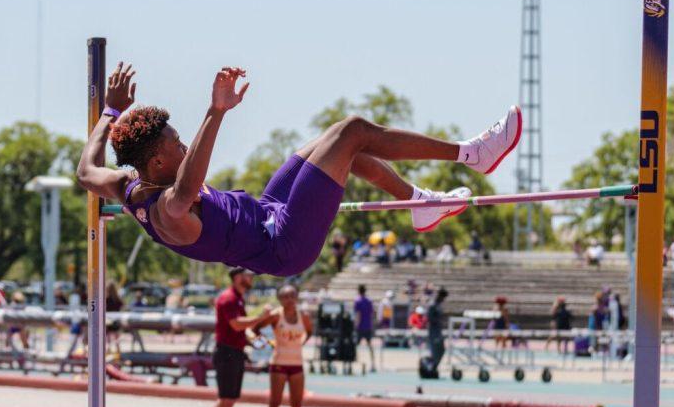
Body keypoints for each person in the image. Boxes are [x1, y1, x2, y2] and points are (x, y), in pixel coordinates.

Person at [77, 62, 522, 277]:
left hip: (268, 210)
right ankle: (472, 154)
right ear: (158, 161)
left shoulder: (127, 183)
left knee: (334, 143)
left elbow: (84, 171)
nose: (183, 144)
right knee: (351, 131)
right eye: (177, 143)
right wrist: (215, 113)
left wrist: (111, 112)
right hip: (282, 244)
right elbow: (189, 182)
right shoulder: (166, 210)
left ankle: (418, 204)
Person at [201, 268, 270, 407]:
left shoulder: (238, 298)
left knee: (230, 401)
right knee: (224, 399)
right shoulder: (229, 298)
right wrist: (260, 318)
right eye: (249, 275)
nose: (251, 279)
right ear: (238, 277)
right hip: (226, 353)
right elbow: (236, 324)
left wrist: (254, 340)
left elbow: (241, 329)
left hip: (236, 353)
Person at [253, 285, 313, 407]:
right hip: (278, 363)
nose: (290, 300)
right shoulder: (276, 316)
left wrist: (299, 343)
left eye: (293, 296)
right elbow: (256, 329)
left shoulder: (304, 316)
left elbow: (308, 332)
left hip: (296, 364)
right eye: (286, 297)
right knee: (274, 403)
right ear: (280, 299)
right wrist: (266, 343)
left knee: (297, 405)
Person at [424, 288, 449, 374]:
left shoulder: (439, 305)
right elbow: (429, 318)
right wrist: (438, 320)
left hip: (438, 331)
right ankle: (430, 368)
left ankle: (434, 366)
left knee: (441, 350)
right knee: (435, 351)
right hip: (433, 332)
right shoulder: (432, 305)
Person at [353, 285, 376, 371]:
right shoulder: (369, 301)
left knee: (355, 345)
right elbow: (372, 314)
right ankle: (373, 364)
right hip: (368, 326)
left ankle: (355, 361)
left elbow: (358, 315)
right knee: (370, 346)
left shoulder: (357, 301)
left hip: (360, 327)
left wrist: (356, 325)